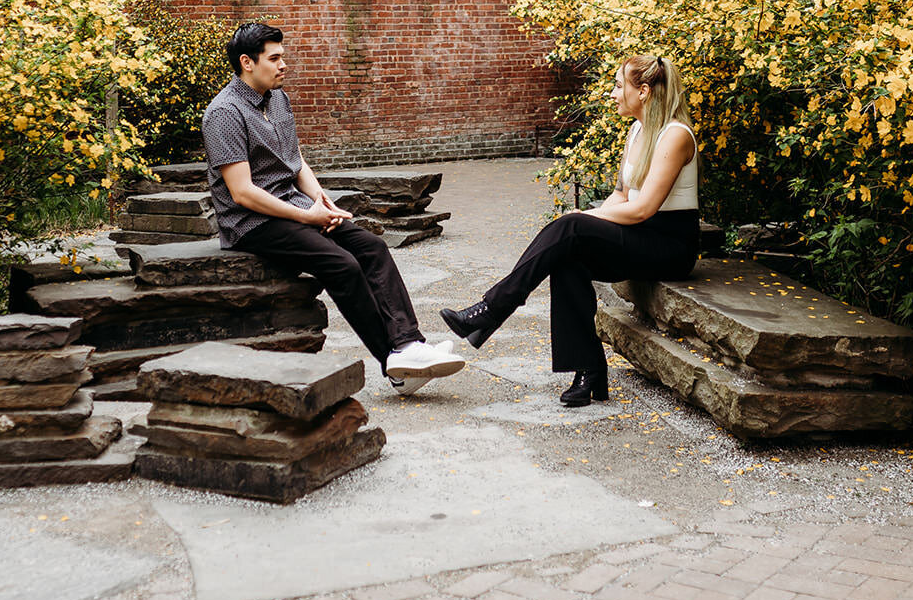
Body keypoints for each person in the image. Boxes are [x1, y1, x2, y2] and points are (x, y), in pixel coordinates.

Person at [202, 22, 466, 394]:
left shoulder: (277, 99)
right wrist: (306, 216)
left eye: (283, 57)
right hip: (251, 223)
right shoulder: (224, 113)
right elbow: (242, 193)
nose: (284, 65)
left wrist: (321, 200)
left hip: (294, 206)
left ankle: (408, 345)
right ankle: (394, 363)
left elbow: (295, 162)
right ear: (247, 62)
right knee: (342, 265)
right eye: (274, 58)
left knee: (372, 247)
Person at [441, 54, 699, 406]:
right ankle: (589, 371)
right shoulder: (638, 130)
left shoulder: (675, 135)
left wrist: (585, 219)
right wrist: (590, 217)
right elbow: (623, 194)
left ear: (643, 91)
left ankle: (493, 308)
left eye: (618, 86)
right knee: (568, 256)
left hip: (669, 244)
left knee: (572, 227)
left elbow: (642, 209)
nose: (612, 94)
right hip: (640, 234)